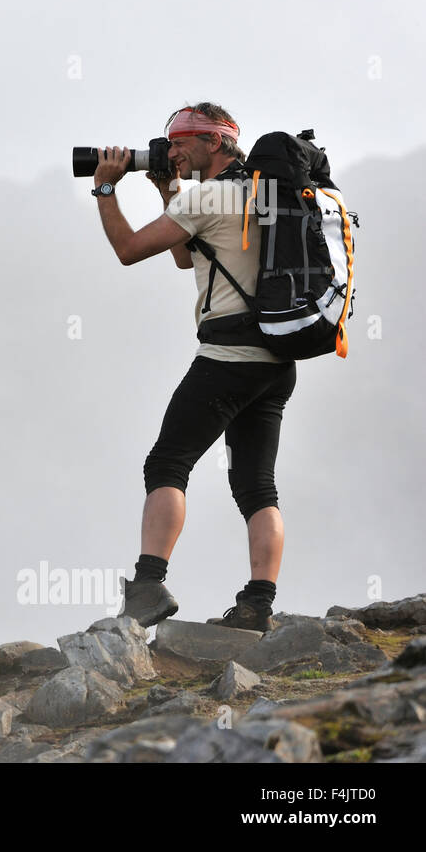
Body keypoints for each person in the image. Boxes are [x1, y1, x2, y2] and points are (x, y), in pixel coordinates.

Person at [88, 102, 297, 633]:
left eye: (182, 141)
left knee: (167, 464)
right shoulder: (261, 191)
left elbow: (130, 250)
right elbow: (190, 255)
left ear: (215, 141)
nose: (172, 150)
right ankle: (256, 606)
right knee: (256, 486)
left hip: (227, 358)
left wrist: (107, 189)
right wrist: (167, 191)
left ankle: (148, 586)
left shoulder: (211, 195)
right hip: (276, 359)